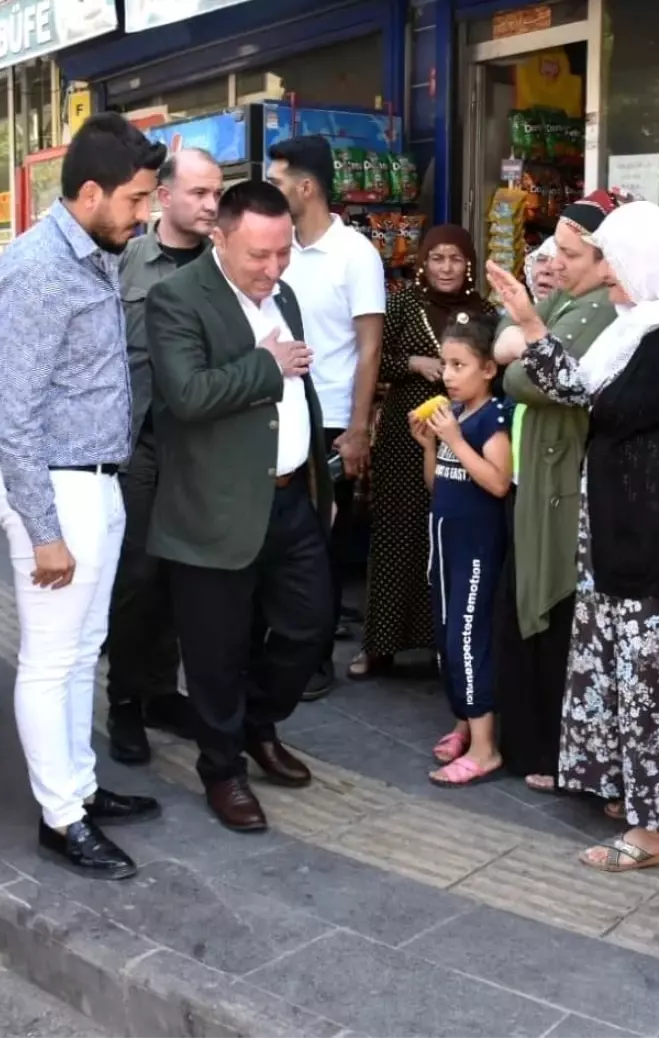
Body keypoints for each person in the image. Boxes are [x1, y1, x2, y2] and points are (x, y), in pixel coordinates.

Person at [487, 200, 659, 872]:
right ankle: (634, 792)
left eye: (613, 265)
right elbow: (572, 388)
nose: (607, 280)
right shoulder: (632, 332)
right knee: (620, 676)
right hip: (611, 539)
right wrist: (527, 316)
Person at [0, 113, 167, 880]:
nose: (144, 214)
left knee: (81, 653)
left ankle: (80, 790)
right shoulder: (37, 269)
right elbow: (16, 413)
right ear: (89, 192)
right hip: (56, 489)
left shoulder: (94, 249)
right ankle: (61, 818)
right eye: (134, 199)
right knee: (51, 659)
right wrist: (45, 528)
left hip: (96, 480)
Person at [145, 180, 334, 833]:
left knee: (310, 626)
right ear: (218, 237)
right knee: (217, 652)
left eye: (284, 252)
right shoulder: (177, 298)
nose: (274, 268)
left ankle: (257, 725)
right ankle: (222, 768)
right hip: (214, 510)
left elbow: (295, 396)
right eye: (259, 254)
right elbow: (187, 394)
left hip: (289, 500)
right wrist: (266, 363)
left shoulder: (283, 294)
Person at [492, 192, 621, 791]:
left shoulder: (598, 310)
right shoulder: (571, 301)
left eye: (570, 254)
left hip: (560, 482)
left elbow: (527, 377)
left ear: (606, 259)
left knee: (550, 611)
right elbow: (509, 347)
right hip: (541, 474)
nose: (557, 265)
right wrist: (524, 332)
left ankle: (548, 749)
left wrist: (524, 336)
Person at [105, 148, 223, 765]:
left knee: (184, 576)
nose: (211, 205)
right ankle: (124, 699)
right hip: (139, 442)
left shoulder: (226, 266)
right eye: (199, 193)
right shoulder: (124, 261)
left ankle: (159, 690)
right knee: (137, 578)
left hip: (201, 447)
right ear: (166, 196)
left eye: (217, 193)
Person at [266, 136, 385, 699]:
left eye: (278, 180)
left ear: (306, 187)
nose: (272, 190)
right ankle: (281, 646)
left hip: (333, 420)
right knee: (285, 540)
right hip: (278, 416)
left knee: (319, 544)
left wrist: (359, 428)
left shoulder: (354, 253)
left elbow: (370, 348)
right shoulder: (274, 247)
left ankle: (314, 660)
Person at [351, 225, 494, 679]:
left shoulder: (483, 312)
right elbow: (373, 357)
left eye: (455, 259)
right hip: (404, 436)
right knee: (398, 535)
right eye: (437, 259)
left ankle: (443, 645)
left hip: (463, 436)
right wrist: (414, 362)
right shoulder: (403, 304)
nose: (446, 268)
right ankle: (381, 646)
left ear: (468, 263)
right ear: (423, 263)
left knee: (450, 536)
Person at [410, 313, 511, 785]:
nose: (448, 375)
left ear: (488, 370)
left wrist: (453, 439)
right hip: (445, 544)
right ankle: (463, 725)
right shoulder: (456, 417)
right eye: (446, 365)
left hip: (474, 549)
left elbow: (496, 483)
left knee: (467, 641)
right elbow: (438, 484)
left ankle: (486, 747)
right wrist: (432, 446)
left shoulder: (491, 418)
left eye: (459, 365)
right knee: (447, 637)